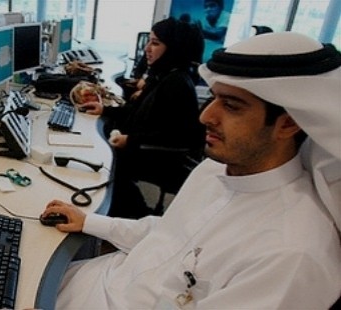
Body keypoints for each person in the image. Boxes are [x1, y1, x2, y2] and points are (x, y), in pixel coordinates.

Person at [42, 31, 341, 308]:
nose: (206, 116)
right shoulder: (214, 170)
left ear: (288, 123)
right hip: (102, 279)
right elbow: (167, 233)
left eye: (232, 105)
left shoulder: (292, 254)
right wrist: (90, 222)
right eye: (213, 98)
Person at [80, 17, 205, 219]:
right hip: (147, 146)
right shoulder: (164, 75)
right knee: (102, 142)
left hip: (163, 158)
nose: (147, 48)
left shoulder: (176, 84)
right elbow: (135, 111)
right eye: (149, 41)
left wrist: (130, 140)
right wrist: (104, 110)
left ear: (173, 48)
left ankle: (135, 218)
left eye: (155, 43)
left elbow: (176, 136)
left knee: (108, 161)